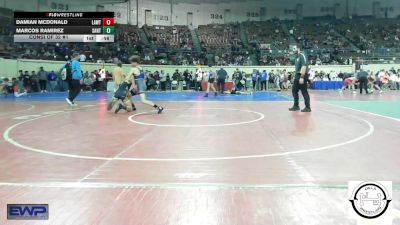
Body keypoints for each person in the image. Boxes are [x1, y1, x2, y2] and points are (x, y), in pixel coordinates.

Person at [289, 46, 311, 112]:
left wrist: (302, 76)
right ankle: (296, 106)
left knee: (304, 91)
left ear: (298, 48)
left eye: (294, 48)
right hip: (297, 76)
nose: (293, 50)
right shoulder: (296, 56)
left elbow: (305, 66)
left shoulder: (302, 55)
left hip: (302, 76)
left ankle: (308, 107)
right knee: (294, 90)